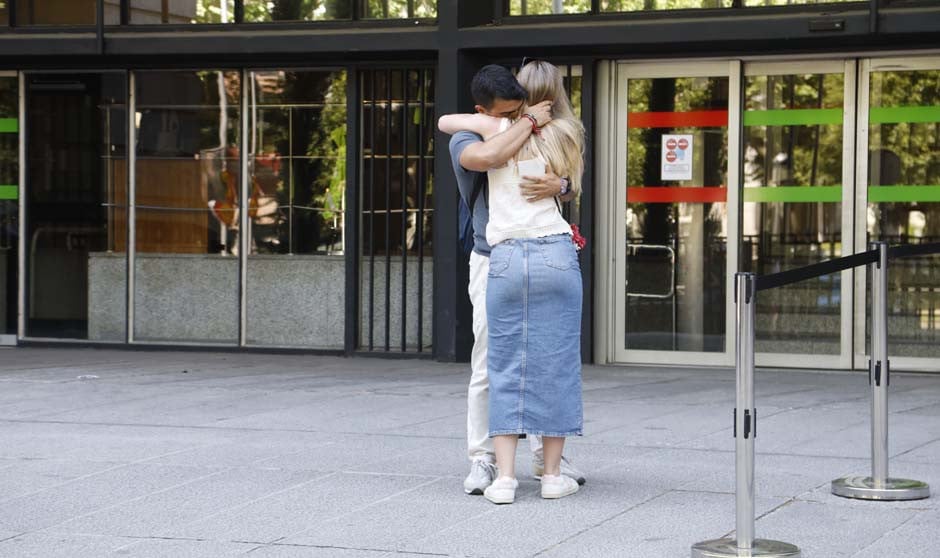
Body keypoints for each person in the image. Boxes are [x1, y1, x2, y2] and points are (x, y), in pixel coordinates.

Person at [440, 62, 585, 504]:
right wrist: (525, 123)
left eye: (521, 106)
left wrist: (560, 184)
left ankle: (540, 459)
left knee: (534, 359)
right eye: (506, 111)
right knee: (491, 361)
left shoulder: (544, 127)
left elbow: (570, 184)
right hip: (491, 256)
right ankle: (483, 457)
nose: (517, 114)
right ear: (484, 109)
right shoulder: (476, 134)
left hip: (515, 252)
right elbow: (484, 155)